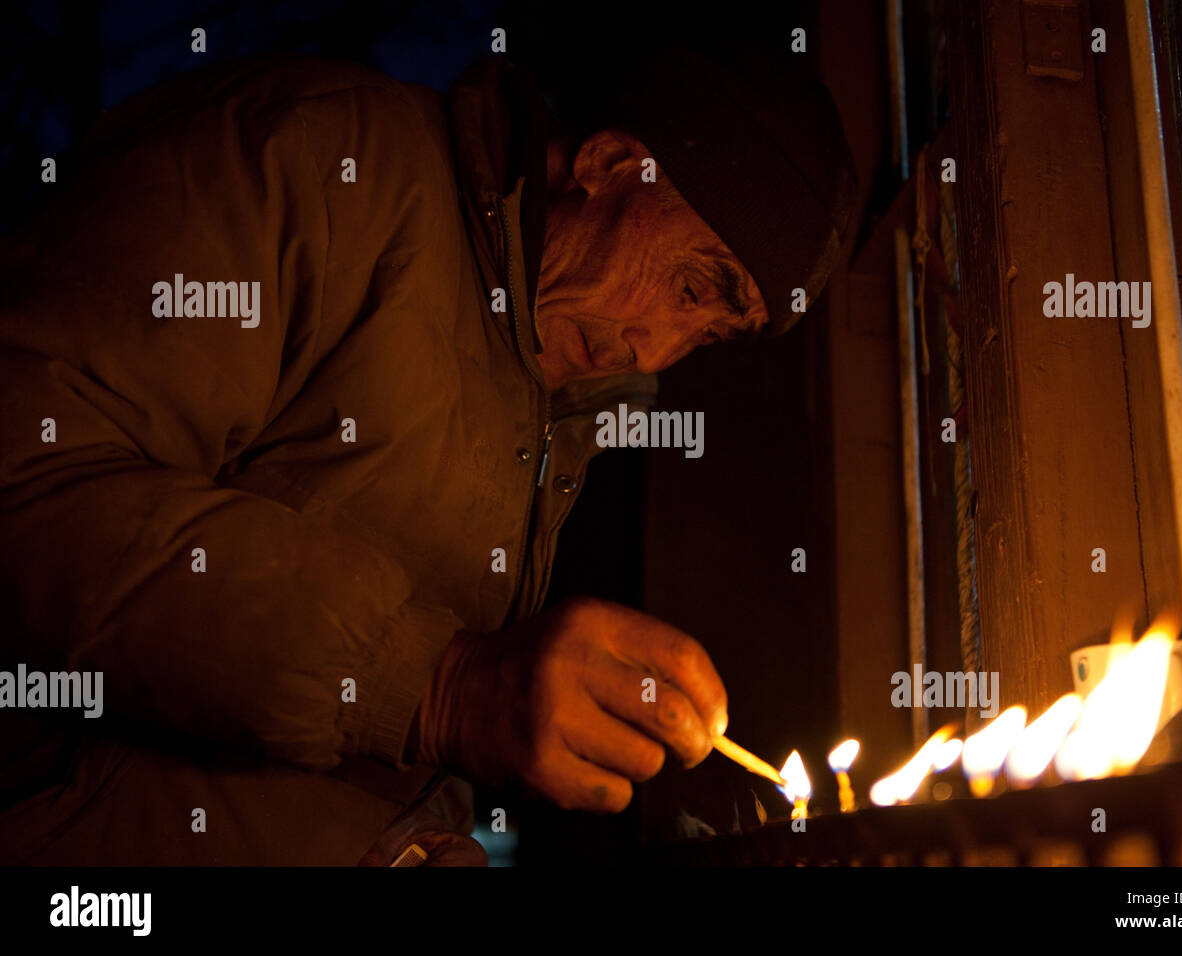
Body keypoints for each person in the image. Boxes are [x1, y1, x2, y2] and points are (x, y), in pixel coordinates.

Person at [0, 49, 855, 865]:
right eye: (695, 285)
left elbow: (369, 729)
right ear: (609, 163)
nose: (658, 351)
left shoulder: (549, 389)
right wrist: (437, 688)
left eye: (709, 332)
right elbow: (28, 482)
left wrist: (417, 837)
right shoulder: (315, 161)